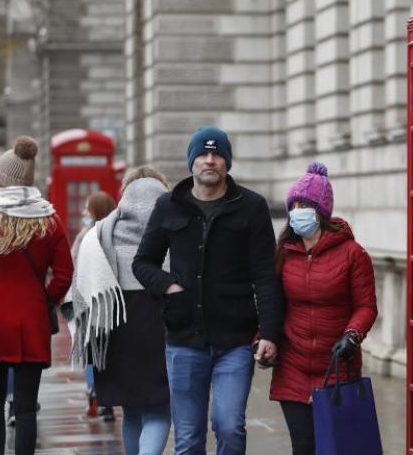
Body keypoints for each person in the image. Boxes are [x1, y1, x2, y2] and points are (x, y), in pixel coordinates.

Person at [133, 126, 284, 455]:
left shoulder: (252, 207)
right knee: (188, 437)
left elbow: (265, 275)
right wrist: (169, 286)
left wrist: (270, 333)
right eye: (203, 154)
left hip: (235, 341)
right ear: (192, 161)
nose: (210, 161)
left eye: (217, 155)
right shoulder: (168, 206)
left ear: (227, 162)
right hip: (184, 341)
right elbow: (143, 263)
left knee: (230, 426)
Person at [0, 136, 74, 455]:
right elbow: (64, 274)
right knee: (25, 407)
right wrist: (46, 298)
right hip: (32, 320)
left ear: (1, 178)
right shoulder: (50, 219)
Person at [269, 162, 378, 455]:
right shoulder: (284, 254)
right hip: (293, 366)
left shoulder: (353, 254)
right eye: (293, 205)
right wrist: (262, 339)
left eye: (304, 204)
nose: (297, 211)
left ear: (322, 211)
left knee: (336, 448)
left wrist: (352, 334)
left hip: (336, 367)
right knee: (303, 447)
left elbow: (366, 306)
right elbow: (271, 304)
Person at [70, 166, 171, 455]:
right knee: (159, 409)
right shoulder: (176, 229)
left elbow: (82, 290)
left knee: (132, 411)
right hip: (161, 327)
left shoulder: (99, 233)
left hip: (114, 328)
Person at [66, 190, 117, 420]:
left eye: (88, 208)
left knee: (91, 351)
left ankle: (94, 391)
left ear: (95, 210)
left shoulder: (85, 235)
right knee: (111, 349)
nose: (85, 212)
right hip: (111, 300)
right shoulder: (116, 234)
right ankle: (109, 398)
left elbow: (72, 265)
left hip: (85, 301)